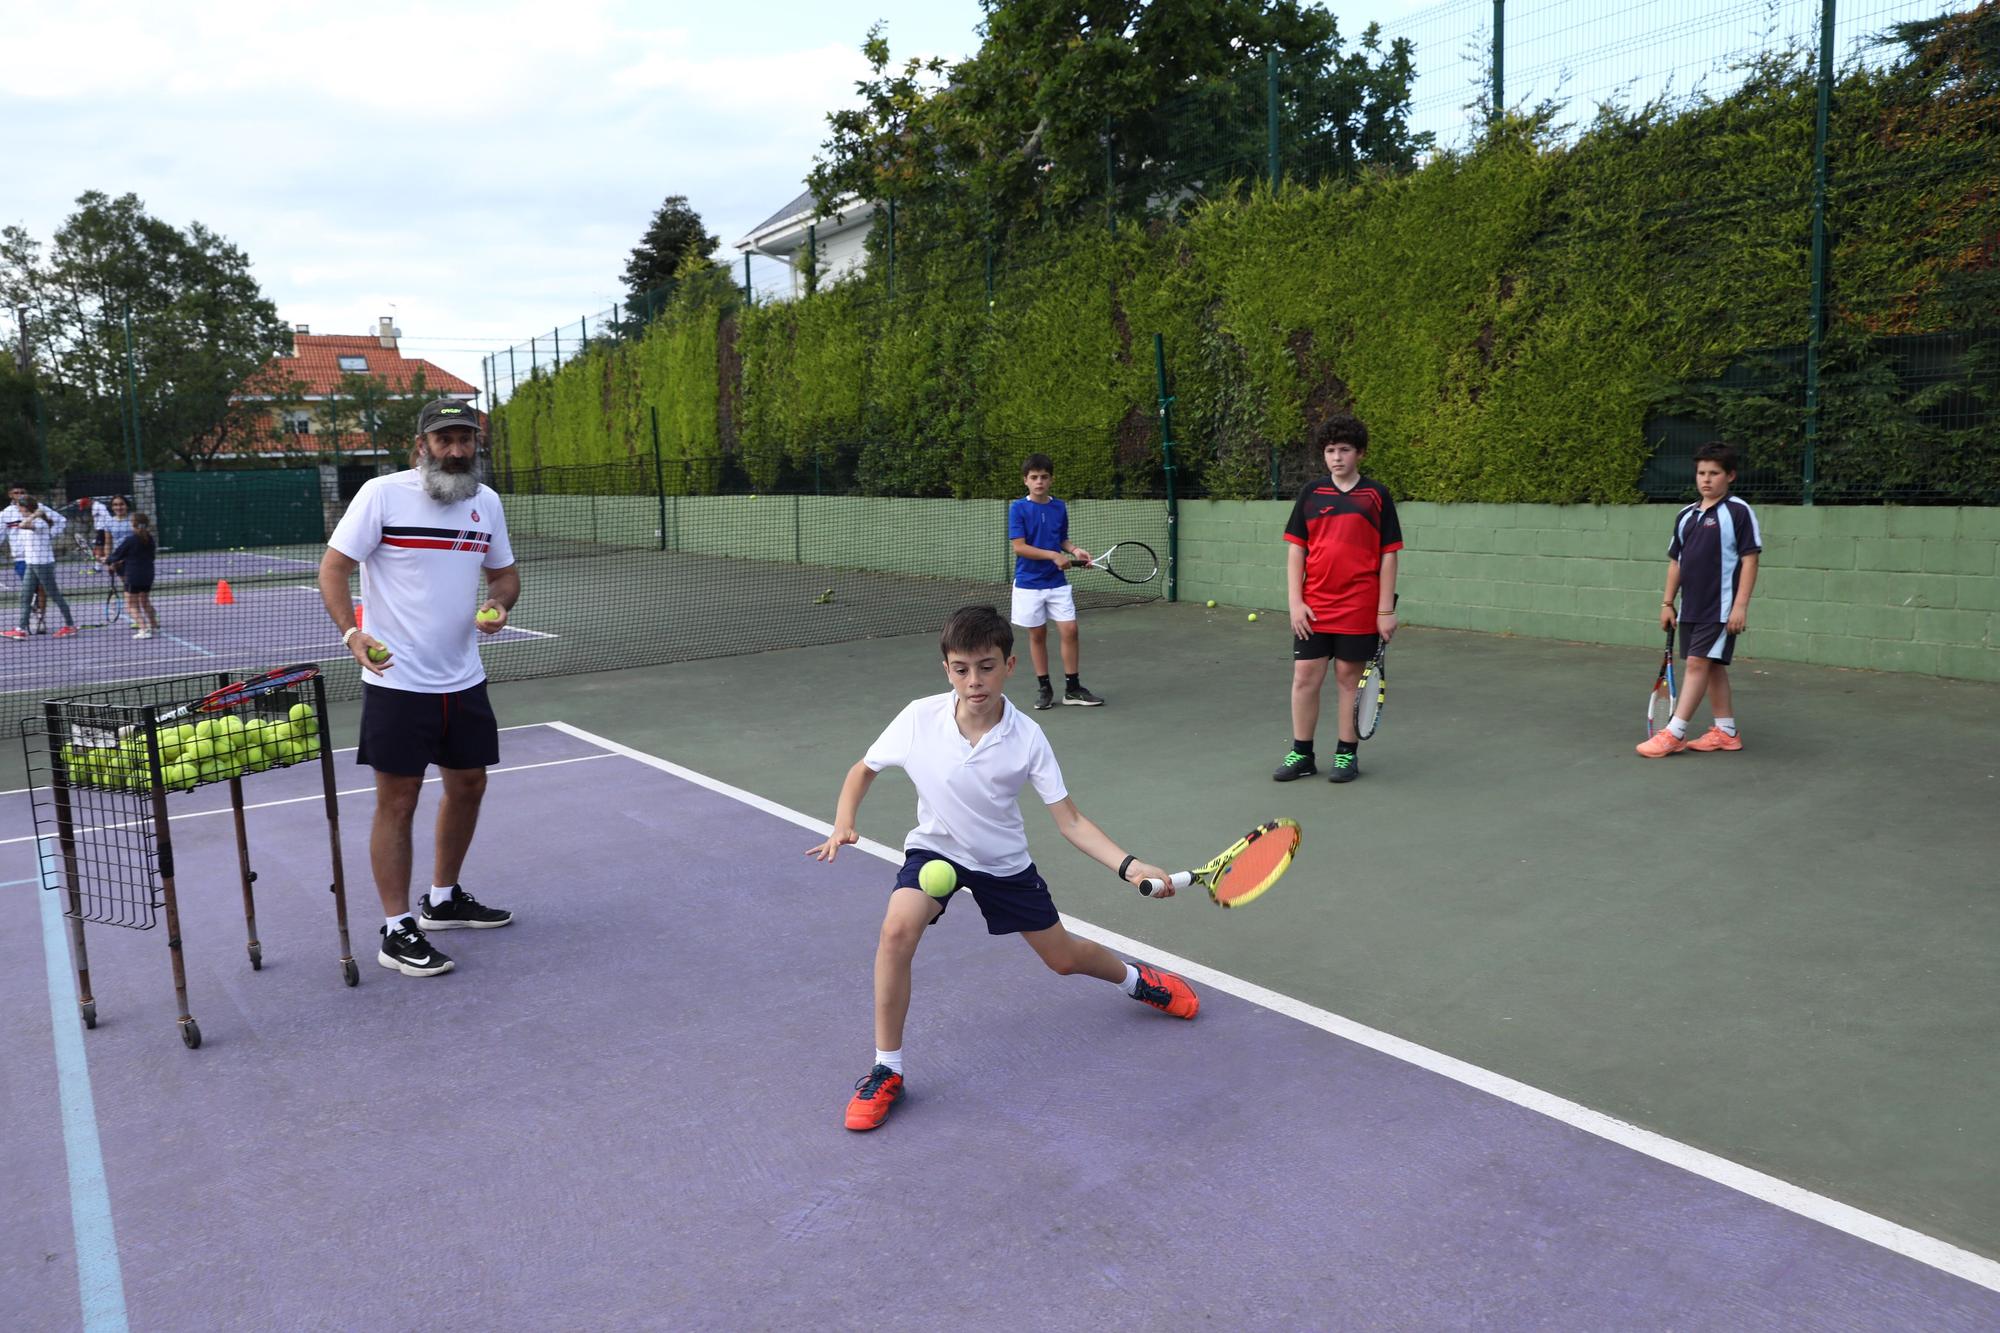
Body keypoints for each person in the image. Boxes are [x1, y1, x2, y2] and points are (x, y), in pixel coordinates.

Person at [808, 604, 1200, 1133]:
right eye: (963, 668)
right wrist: (843, 822)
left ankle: (1135, 981)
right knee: (896, 930)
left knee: (1062, 959)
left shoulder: (1027, 737)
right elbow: (863, 770)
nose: (975, 681)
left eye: (987, 666)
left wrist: (1128, 866)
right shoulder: (918, 717)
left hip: (1003, 863)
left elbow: (1071, 820)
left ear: (1010, 666)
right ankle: (887, 1069)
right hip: (936, 852)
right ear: (947, 669)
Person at [318, 399, 520, 979]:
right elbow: (333, 568)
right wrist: (353, 633)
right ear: (422, 444)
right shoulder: (382, 494)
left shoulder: (486, 503)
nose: (457, 450)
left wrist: (497, 603)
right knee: (398, 800)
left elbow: (504, 574)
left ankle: (442, 898)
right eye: (445, 439)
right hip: (397, 682)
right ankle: (395, 927)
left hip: (465, 678)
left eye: (466, 439)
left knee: (469, 785)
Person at [1275, 414, 1401, 784]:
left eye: (1344, 450)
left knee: (1349, 680)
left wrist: (1385, 611)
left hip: (1359, 607)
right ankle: (1302, 753)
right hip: (1314, 607)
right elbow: (1296, 550)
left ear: (1359, 453)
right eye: (1330, 450)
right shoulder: (1311, 495)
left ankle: (1346, 754)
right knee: (1304, 677)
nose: (1337, 457)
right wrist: (1295, 603)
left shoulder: (1376, 496)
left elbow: (1389, 554)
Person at [1636, 442, 1762, 758]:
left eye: (1714, 473)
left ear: (1730, 476)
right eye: (1701, 473)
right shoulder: (1686, 516)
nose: (1706, 479)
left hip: (1720, 609)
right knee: (1713, 667)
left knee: (1697, 664)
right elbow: (1676, 562)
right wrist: (1667, 604)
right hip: (1691, 607)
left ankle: (1675, 733)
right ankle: (1726, 732)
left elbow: (1750, 559)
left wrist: (1741, 605)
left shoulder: (1738, 511)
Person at [1007, 453, 1103, 709]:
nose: (1039, 481)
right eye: (1034, 477)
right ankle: (1044, 687)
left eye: (1044, 477)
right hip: (1029, 583)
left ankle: (1072, 689)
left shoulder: (1059, 507)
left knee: (1070, 630)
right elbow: (1019, 547)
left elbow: (1062, 538)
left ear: (1051, 480)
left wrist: (1074, 551)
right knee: (1037, 634)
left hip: (1057, 583)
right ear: (1025, 481)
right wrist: (1052, 555)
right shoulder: (1017, 508)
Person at [1, 488, 78, 640]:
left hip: (43, 564)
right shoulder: (15, 515)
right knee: (25, 595)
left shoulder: (39, 523)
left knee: (54, 595)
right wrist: (34, 513)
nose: (19, 510)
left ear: (27, 508)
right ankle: (20, 629)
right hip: (31, 563)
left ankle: (70, 626)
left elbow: (23, 525)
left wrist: (36, 513)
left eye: (21, 508)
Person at [107, 511, 160, 639]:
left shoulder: (130, 540)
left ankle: (144, 629)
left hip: (133, 576)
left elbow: (115, 556)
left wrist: (106, 560)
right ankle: (153, 624)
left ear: (133, 524)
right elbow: (150, 557)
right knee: (144, 601)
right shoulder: (150, 538)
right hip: (148, 575)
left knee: (131, 605)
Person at [94, 494, 135, 566]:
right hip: (118, 560)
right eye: (115, 505)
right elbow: (108, 543)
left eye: (121, 504)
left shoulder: (134, 520)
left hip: (134, 558)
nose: (118, 507)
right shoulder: (109, 523)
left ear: (127, 506)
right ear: (112, 507)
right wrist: (108, 559)